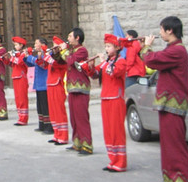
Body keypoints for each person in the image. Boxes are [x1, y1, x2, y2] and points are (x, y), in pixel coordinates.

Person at [142, 16, 188, 182]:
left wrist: (146, 46)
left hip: (174, 103)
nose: (160, 33)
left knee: (176, 145)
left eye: (162, 29)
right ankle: (170, 181)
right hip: (167, 104)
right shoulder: (172, 49)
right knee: (167, 145)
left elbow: (152, 60)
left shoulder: (177, 50)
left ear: (170, 30)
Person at [84, 34, 127, 172]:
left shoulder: (121, 61)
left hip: (115, 98)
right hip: (106, 98)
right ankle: (112, 159)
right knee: (108, 130)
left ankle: (120, 162)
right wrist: (90, 67)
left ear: (116, 47)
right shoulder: (107, 62)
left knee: (116, 130)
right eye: (106, 46)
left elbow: (113, 72)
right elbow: (96, 74)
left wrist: (103, 62)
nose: (106, 49)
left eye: (109, 46)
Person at [60, 27, 93, 155]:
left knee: (81, 117)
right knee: (73, 117)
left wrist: (63, 50)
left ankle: (87, 145)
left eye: (70, 36)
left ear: (77, 38)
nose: (68, 39)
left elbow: (71, 60)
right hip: (72, 88)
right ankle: (77, 142)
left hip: (81, 88)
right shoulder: (72, 50)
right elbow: (62, 60)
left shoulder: (82, 50)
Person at [25, 38, 52, 134]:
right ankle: (42, 124)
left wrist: (29, 57)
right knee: (39, 105)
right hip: (38, 83)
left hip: (44, 83)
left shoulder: (48, 54)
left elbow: (40, 63)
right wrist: (26, 57)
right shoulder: (38, 54)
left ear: (42, 44)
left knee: (45, 106)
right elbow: (30, 64)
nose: (35, 45)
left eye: (36, 43)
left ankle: (49, 126)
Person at [45, 36, 68, 145]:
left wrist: (51, 57)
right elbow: (43, 65)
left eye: (55, 46)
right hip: (50, 84)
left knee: (59, 111)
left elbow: (59, 64)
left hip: (58, 84)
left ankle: (63, 136)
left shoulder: (62, 57)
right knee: (53, 111)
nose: (53, 47)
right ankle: (56, 134)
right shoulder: (52, 56)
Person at [9, 36, 29, 126]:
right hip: (16, 76)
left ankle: (24, 118)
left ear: (21, 45)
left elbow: (20, 62)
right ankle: (20, 116)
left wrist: (12, 56)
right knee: (17, 98)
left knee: (22, 98)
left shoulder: (24, 53)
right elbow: (12, 64)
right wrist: (6, 59)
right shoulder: (16, 54)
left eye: (17, 45)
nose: (15, 46)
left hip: (21, 77)